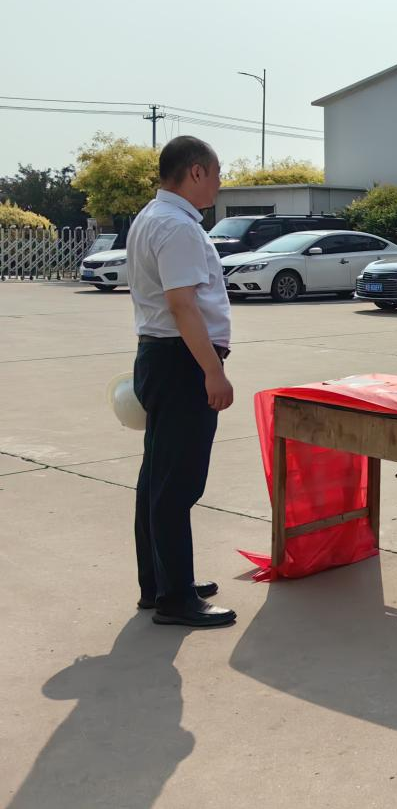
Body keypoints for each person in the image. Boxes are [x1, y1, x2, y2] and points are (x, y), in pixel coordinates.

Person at [126, 136, 235, 628]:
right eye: (216, 173)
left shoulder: (152, 217)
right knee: (176, 485)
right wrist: (213, 370)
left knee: (157, 478)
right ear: (195, 172)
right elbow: (182, 305)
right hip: (182, 362)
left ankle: (161, 583)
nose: (218, 183)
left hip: (161, 356)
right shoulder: (177, 227)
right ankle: (175, 598)